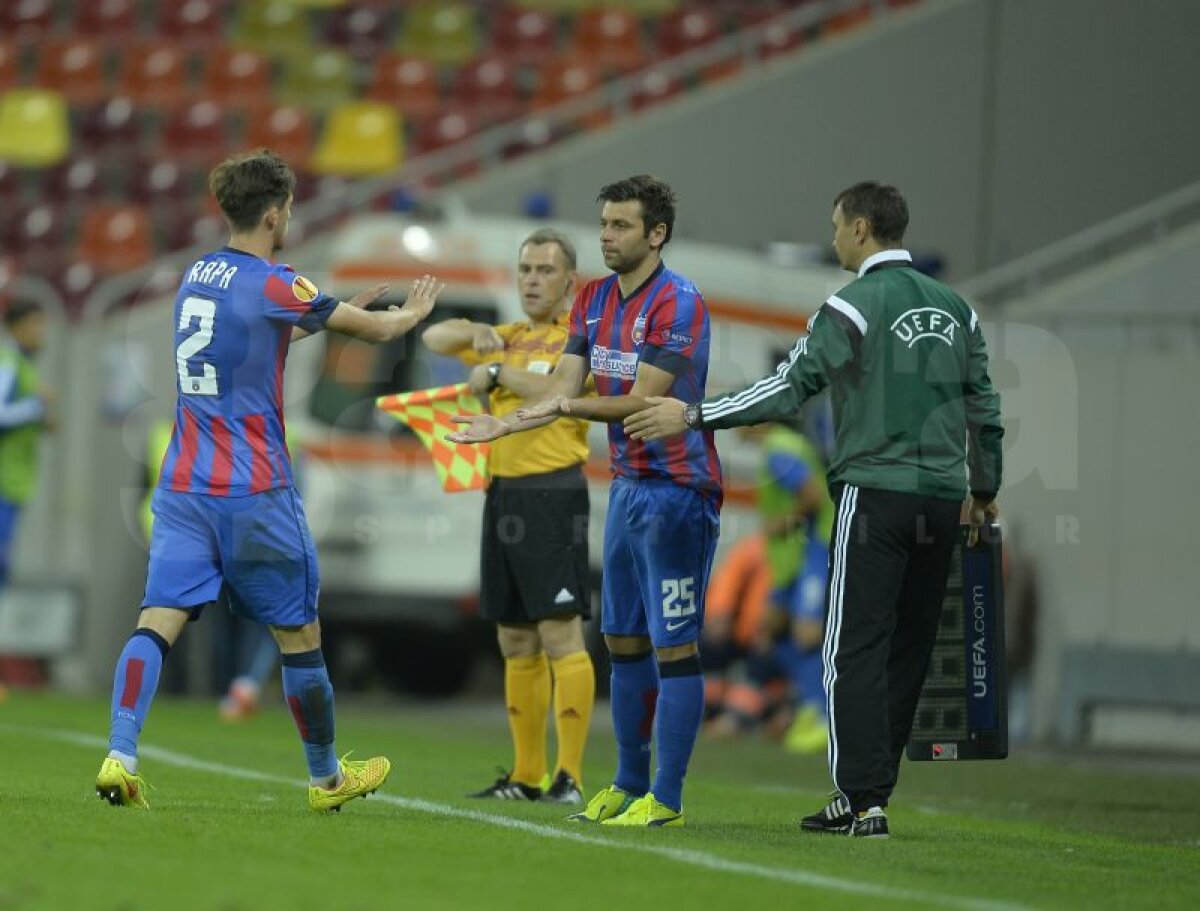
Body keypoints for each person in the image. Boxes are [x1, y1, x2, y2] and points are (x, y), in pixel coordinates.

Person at [625, 181, 1004, 838]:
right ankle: (873, 793)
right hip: (943, 500)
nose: (832, 238)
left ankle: (860, 798)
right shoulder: (957, 309)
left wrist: (692, 413)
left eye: (835, 225)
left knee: (850, 647)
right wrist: (984, 487)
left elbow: (788, 387)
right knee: (910, 649)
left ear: (860, 229)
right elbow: (985, 406)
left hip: (875, 493)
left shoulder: (853, 303)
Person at [95, 149, 444, 811]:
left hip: (185, 486)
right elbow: (373, 330)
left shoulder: (197, 275)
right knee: (298, 634)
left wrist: (319, 317)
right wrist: (406, 316)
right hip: (254, 489)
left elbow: (243, 344)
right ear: (277, 211)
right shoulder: (278, 281)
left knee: (157, 620)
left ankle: (120, 752)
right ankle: (325, 778)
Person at [450, 175, 721, 827]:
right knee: (621, 640)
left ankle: (668, 797)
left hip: (678, 491)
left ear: (656, 234)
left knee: (673, 645)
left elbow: (645, 398)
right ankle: (626, 784)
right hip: (627, 488)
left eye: (621, 225)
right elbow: (563, 383)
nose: (606, 235)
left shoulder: (678, 303)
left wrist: (563, 405)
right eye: (603, 223)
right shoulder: (596, 299)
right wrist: (504, 424)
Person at [421, 228, 596, 805]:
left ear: (570, 281)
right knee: (514, 637)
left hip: (553, 494)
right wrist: (474, 332)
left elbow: (557, 389)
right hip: (503, 495)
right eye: (525, 269)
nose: (532, 280)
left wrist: (495, 373)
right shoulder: (510, 335)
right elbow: (436, 335)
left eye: (545, 270)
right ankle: (526, 776)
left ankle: (569, 776)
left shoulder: (580, 339)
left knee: (559, 633)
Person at [0, 299, 53, 688]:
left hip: (12, 486)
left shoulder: (22, 366)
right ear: (17, 327)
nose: (41, 333)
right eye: (35, 324)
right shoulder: (7, 363)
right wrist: (37, 406)